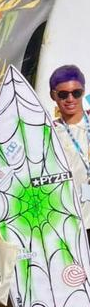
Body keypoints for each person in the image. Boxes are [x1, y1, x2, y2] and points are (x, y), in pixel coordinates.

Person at [50, 65, 90, 231]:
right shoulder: (48, 131)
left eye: (76, 93)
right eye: (63, 94)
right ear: (53, 95)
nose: (70, 99)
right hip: (69, 224)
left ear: (83, 92)